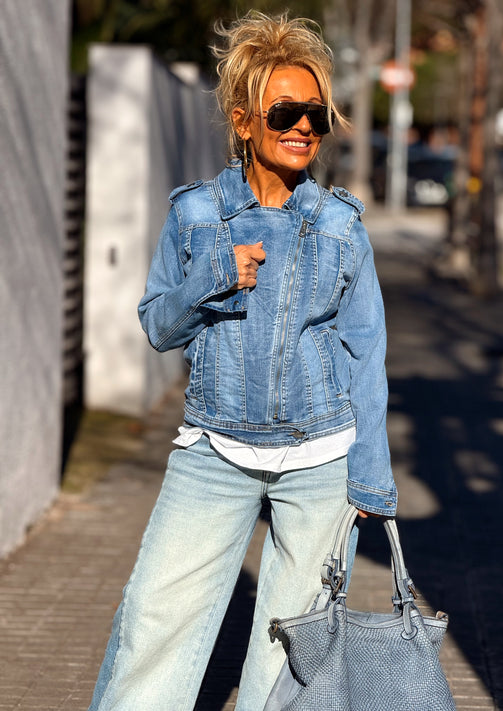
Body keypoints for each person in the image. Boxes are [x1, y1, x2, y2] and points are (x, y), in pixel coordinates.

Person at [88, 11, 396, 711]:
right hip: (213, 453)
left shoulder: (341, 224)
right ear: (243, 120)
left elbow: (366, 349)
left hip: (320, 461)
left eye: (316, 115)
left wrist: (370, 477)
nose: (303, 127)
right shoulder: (196, 215)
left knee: (292, 655)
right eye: (285, 112)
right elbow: (158, 327)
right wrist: (215, 275)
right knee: (153, 623)